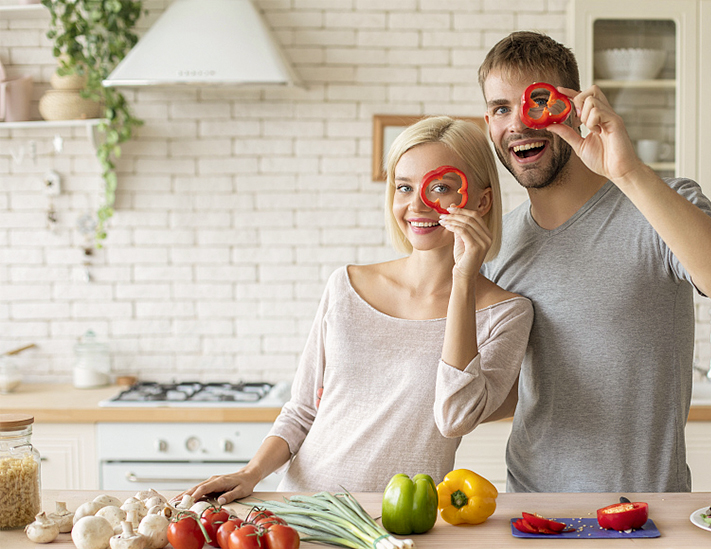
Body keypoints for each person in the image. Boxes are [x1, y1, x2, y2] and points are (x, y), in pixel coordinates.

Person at [477, 31, 711, 494]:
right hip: (531, 510)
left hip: (645, 511)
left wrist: (627, 172)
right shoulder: (498, 244)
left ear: (572, 105)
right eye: (500, 108)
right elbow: (501, 390)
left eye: (535, 101)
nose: (518, 122)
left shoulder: (662, 203)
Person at [181, 116, 533, 504]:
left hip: (400, 521)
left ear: (481, 201)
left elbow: (455, 419)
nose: (416, 205)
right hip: (303, 509)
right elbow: (302, 411)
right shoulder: (345, 287)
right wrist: (250, 475)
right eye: (404, 187)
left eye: (440, 187)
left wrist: (464, 279)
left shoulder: (507, 314)